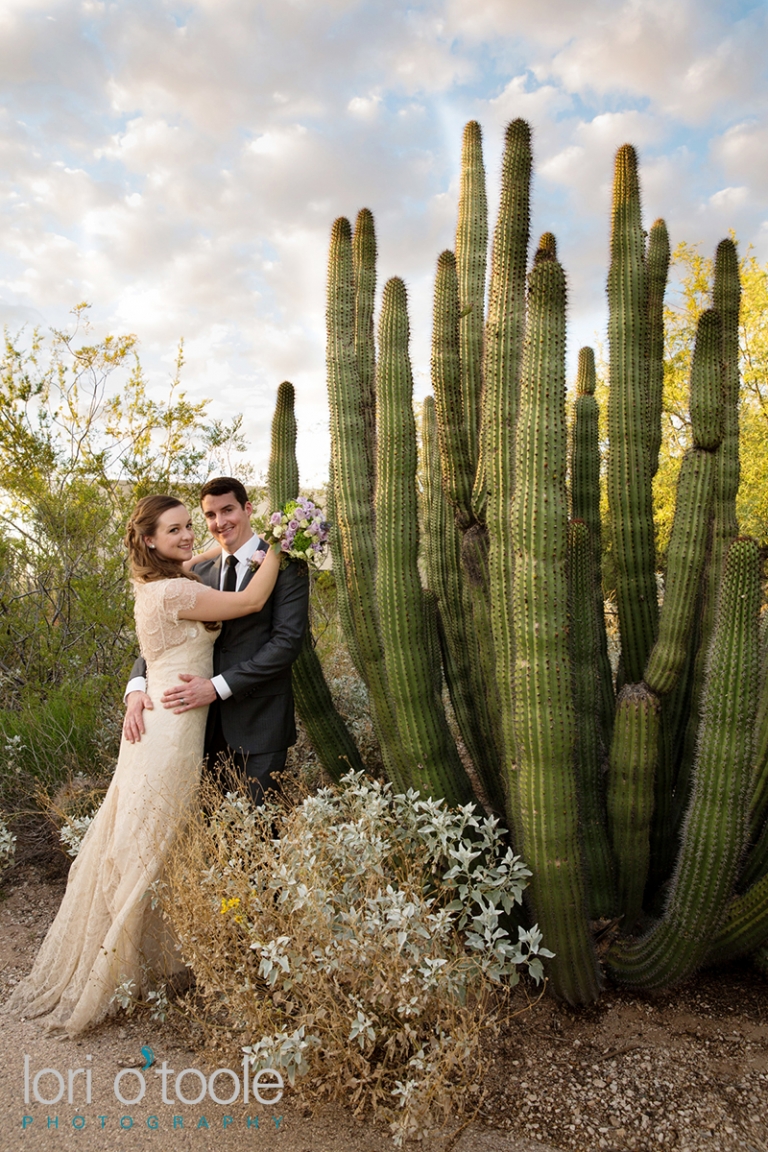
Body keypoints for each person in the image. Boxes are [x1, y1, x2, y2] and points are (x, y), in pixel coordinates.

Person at [3, 495, 281, 1036]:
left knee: (142, 833)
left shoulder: (157, 581)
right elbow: (250, 602)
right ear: (149, 539)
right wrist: (286, 544)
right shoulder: (176, 590)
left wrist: (223, 545)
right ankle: (122, 963)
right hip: (172, 731)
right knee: (155, 836)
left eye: (188, 525)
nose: (188, 536)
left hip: (157, 722)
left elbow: (200, 557)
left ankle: (149, 956)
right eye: (174, 529)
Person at [123, 477, 309, 806]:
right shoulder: (195, 573)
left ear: (248, 509)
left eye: (228, 510)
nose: (220, 522)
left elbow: (286, 643)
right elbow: (161, 639)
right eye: (210, 515)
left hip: (259, 723)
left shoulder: (285, 564)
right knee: (208, 827)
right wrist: (136, 686)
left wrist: (217, 687)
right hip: (197, 727)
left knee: (260, 825)